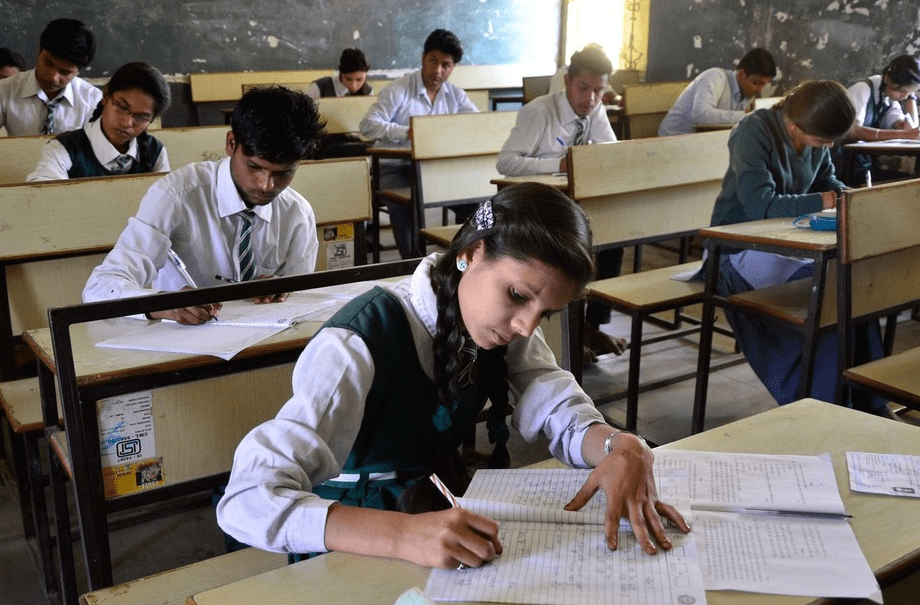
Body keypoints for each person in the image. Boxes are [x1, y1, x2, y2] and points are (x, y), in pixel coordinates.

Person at [217, 182, 689, 568]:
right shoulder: (358, 341)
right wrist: (403, 536)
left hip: (432, 514)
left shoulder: (499, 324)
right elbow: (246, 499)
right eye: (519, 296)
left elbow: (557, 405)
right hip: (353, 536)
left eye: (546, 313)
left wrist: (617, 445)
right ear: (471, 253)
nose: (526, 325)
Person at [709, 80, 890, 418]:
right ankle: (822, 403)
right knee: (826, 292)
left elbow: (828, 181)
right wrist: (823, 199)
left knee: (851, 283)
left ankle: (868, 399)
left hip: (785, 243)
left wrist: (848, 197)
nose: (827, 146)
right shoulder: (753, 132)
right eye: (823, 141)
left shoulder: (814, 137)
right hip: (735, 249)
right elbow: (759, 205)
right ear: (794, 125)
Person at [83, 86, 326, 325]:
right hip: (181, 344)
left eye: (283, 173)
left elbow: (301, 303)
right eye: (254, 166)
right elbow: (99, 289)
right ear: (231, 143)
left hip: (261, 344)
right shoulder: (175, 196)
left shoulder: (297, 213)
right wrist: (163, 305)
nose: (266, 185)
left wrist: (283, 292)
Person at [496, 45, 626, 360]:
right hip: (534, 209)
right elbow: (506, 163)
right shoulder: (539, 112)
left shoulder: (595, 111)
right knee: (566, 255)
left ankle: (591, 327)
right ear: (567, 82)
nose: (591, 98)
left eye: (599, 91)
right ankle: (562, 339)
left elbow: (611, 152)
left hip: (573, 206)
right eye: (584, 88)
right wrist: (560, 164)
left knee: (612, 240)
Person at [360, 29, 479, 258]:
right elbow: (368, 125)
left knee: (476, 203)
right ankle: (413, 265)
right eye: (432, 61)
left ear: (453, 67)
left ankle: (460, 262)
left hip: (435, 170)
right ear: (423, 57)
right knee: (406, 205)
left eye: (446, 65)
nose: (437, 70)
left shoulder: (455, 95)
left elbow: (475, 124)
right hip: (395, 168)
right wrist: (408, 132)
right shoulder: (398, 90)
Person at [27, 62, 171, 181]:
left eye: (141, 117)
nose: (127, 123)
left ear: (151, 119)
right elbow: (41, 198)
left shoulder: (155, 151)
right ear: (106, 95)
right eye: (121, 107)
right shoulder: (64, 148)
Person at [0, 18, 101, 136]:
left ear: (78, 71)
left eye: (65, 72)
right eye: (48, 64)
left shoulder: (93, 100)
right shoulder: (5, 90)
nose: (53, 77)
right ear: (39, 51)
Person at [838, 54, 920, 186]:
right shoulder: (862, 89)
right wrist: (904, 135)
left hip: (864, 165)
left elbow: (910, 130)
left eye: (908, 93)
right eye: (903, 92)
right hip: (843, 165)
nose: (904, 97)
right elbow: (854, 131)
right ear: (888, 80)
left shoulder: (887, 98)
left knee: (912, 181)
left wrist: (911, 98)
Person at [657, 48, 776, 136]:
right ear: (741, 74)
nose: (760, 89)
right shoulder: (715, 77)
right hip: (671, 140)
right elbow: (700, 116)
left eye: (764, 84)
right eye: (756, 83)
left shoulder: (747, 91)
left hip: (698, 142)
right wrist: (748, 116)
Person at [306, 48, 373, 99]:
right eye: (348, 79)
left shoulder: (368, 91)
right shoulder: (320, 88)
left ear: (365, 74)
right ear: (341, 73)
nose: (353, 86)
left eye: (359, 80)